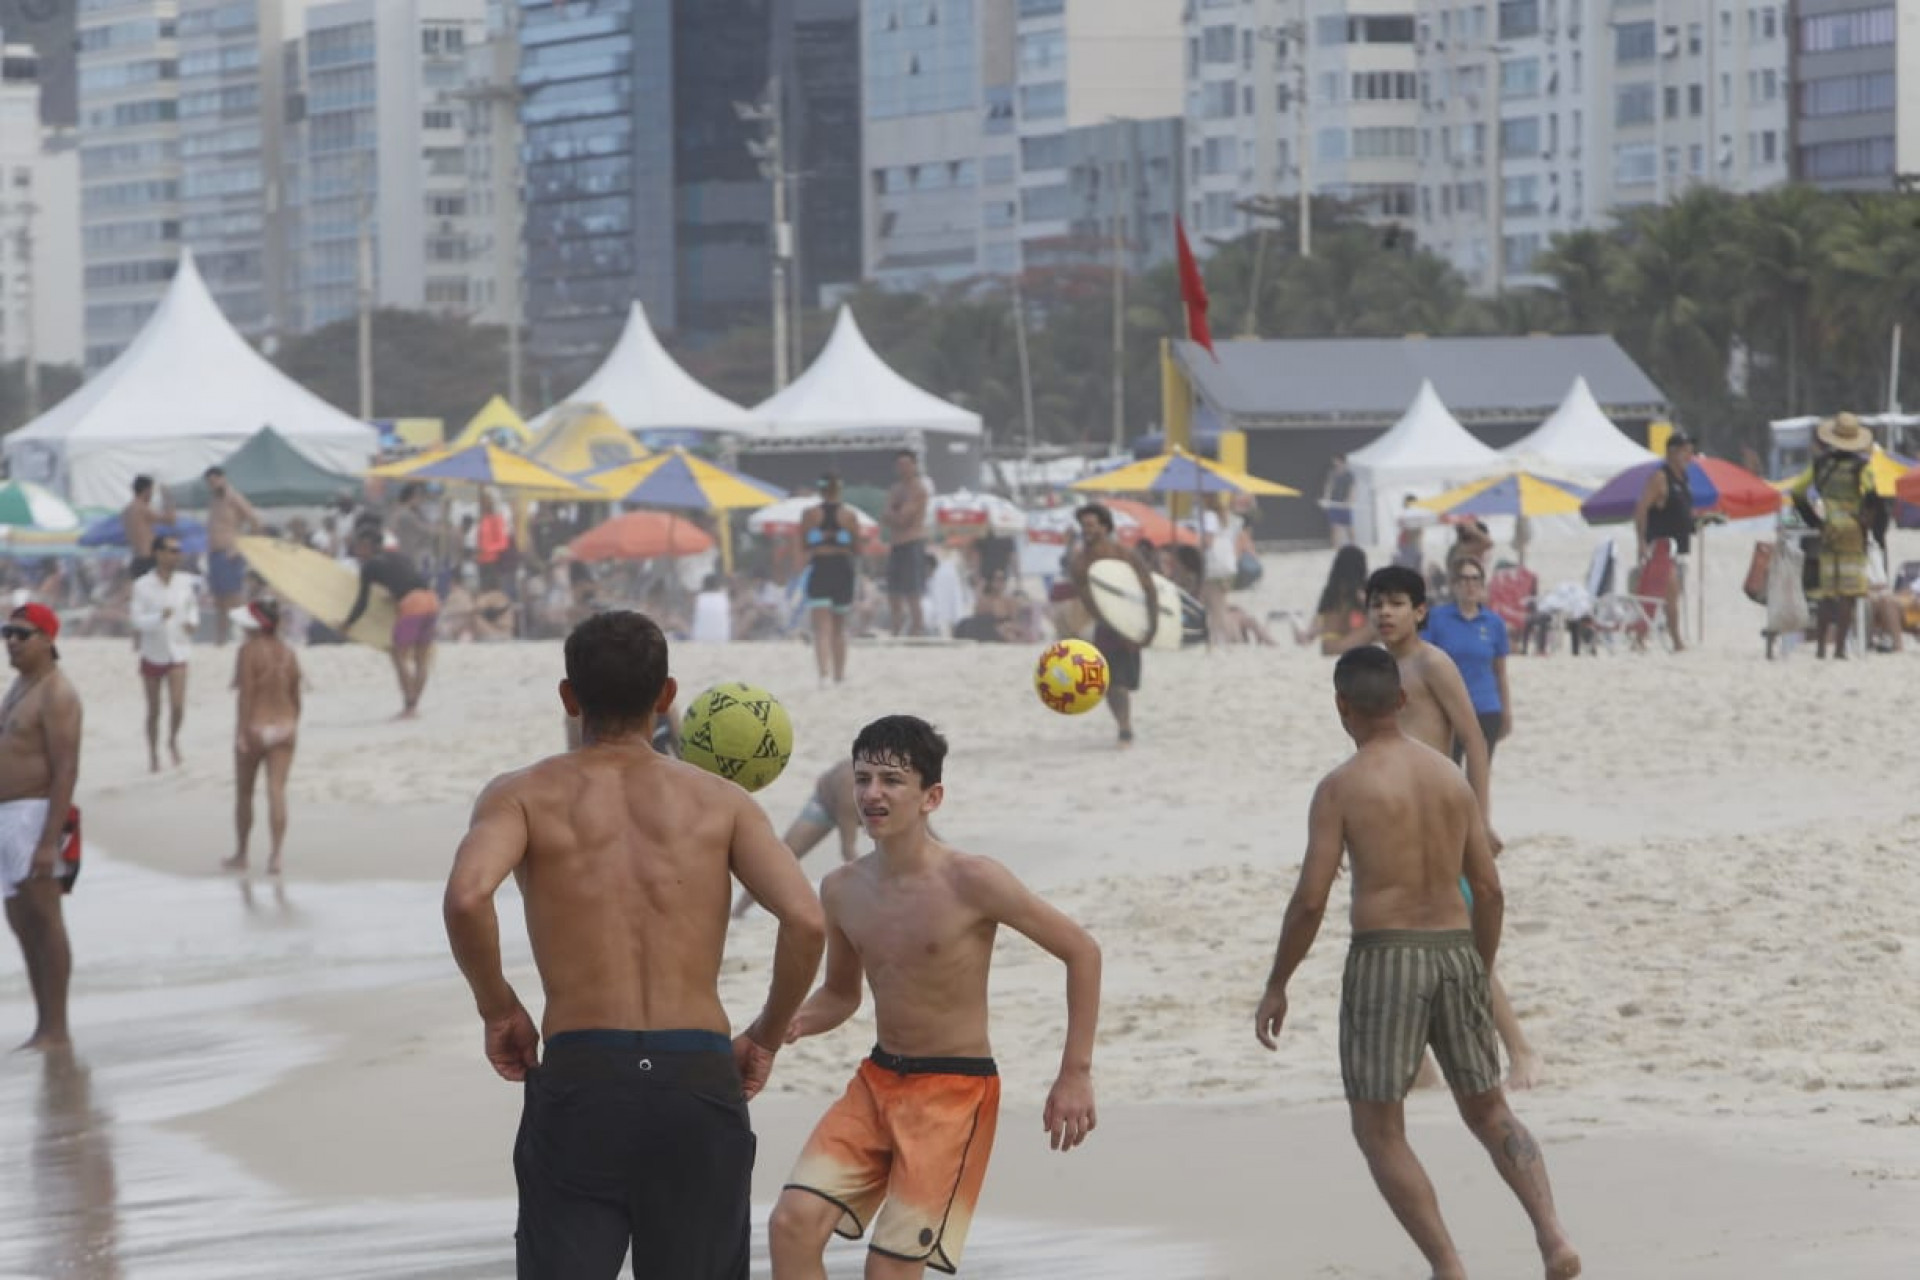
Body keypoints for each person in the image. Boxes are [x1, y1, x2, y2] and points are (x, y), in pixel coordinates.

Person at [443, 611, 826, 1280]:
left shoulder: (521, 796)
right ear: (667, 697)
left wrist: (498, 1008)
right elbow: (807, 921)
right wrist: (764, 1034)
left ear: (569, 697)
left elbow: (467, 897)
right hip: (696, 1076)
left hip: (583, 1074)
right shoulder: (723, 801)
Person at [1253, 647, 1580, 1280]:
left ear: (1342, 706)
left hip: (1386, 957)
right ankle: (1553, 1236)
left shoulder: (1341, 788)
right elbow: (1489, 890)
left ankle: (1449, 1266)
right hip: (1455, 950)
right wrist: (1478, 968)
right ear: (1401, 701)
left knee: (1379, 1126)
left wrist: (1277, 984)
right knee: (1490, 1111)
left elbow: (1309, 901)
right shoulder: (1449, 779)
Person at [768, 716, 1101, 1280]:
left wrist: (1075, 1072)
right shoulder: (842, 888)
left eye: (892, 781)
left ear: (931, 797)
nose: (874, 794)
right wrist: (786, 1024)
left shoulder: (973, 880)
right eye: (864, 779)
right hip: (875, 1084)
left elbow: (1082, 952)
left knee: (889, 1271)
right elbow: (841, 994)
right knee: (791, 1225)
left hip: (954, 1092)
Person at [1367, 566, 1541, 1090]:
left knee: (1460, 942)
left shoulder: (1431, 664)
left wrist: (1480, 820)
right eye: (1377, 603)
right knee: (1392, 940)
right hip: (1392, 827)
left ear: (1420, 611)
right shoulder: (1372, 670)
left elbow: (1474, 741)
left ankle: (1520, 1050)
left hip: (1439, 823)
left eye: (1397, 603)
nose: (1385, 613)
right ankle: (1418, 1065)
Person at [0, 604, 83, 1051]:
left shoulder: (57, 693)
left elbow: (66, 768)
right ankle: (42, 1023)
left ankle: (58, 1027)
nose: (10, 641)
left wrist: (50, 840)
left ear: (48, 640)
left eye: (21, 634)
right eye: (6, 632)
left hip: (35, 815)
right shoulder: (19, 686)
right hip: (7, 818)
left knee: (45, 918)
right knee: (20, 920)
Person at [1789, 413, 1878, 660]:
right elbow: (1872, 494)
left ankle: (1820, 649)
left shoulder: (1820, 464)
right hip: (1852, 531)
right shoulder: (1861, 466)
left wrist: (1814, 521)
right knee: (1848, 594)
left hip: (1828, 529)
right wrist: (1865, 520)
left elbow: (1797, 491)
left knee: (1828, 592)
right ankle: (1838, 649)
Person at [223, 601, 301, 877]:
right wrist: (292, 724)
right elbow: (295, 696)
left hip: (256, 725)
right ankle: (276, 856)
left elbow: (247, 694)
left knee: (245, 793)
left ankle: (242, 853)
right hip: (284, 726)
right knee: (276, 791)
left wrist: (241, 732)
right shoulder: (289, 653)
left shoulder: (248, 651)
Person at [1068, 503, 1156, 747]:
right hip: (1105, 627)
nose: (1086, 530)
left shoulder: (1124, 555)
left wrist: (1150, 627)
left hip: (1130, 623)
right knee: (1108, 683)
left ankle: (1124, 726)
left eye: (1091, 525)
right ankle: (1124, 728)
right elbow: (1086, 598)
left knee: (1124, 683)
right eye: (1083, 526)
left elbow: (1148, 588)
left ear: (1104, 528)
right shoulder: (1080, 562)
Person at [733, 759, 860, 919]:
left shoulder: (893, 782)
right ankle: (738, 911)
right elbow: (848, 850)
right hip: (825, 804)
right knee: (780, 859)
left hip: (864, 806)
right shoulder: (848, 786)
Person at [344, 526, 441, 718]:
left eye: (359, 547)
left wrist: (348, 623)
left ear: (369, 546)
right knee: (421, 659)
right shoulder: (400, 556)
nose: (356, 551)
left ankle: (409, 706)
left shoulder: (369, 566)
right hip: (432, 600)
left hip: (413, 605)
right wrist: (395, 597)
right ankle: (413, 706)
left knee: (398, 656)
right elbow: (408, 579)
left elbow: (361, 601)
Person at [1423, 560, 1512, 765]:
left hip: (1486, 708)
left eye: (1475, 579)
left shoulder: (1493, 623)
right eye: (1464, 579)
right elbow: (1424, 663)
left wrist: (1506, 712)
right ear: (1454, 585)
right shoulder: (1437, 619)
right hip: (1448, 710)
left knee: (1479, 775)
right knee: (1448, 775)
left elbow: (1500, 672)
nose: (1470, 585)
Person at [130, 535, 199, 772]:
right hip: (153, 651)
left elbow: (192, 609)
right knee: (154, 710)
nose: (176, 555)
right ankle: (153, 753)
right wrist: (159, 618)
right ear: (158, 553)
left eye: (178, 550)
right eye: (171, 550)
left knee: (178, 705)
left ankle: (172, 740)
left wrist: (192, 623)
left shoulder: (185, 582)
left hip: (179, 649)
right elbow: (137, 620)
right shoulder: (142, 585)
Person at [1633, 431, 1696, 652]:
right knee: (1666, 592)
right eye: (1686, 451)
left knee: (1669, 594)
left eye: (1691, 451)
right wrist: (1640, 542)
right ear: (1672, 452)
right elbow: (1641, 510)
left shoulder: (1684, 479)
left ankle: (1642, 638)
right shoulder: (1660, 477)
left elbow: (1682, 511)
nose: (1690, 455)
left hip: (1678, 546)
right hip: (1660, 544)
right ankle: (1676, 641)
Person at [800, 474, 861, 687]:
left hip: (821, 566)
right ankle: (839, 675)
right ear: (839, 489)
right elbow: (858, 548)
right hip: (842, 568)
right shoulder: (850, 515)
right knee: (839, 627)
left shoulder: (809, 515)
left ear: (820, 489)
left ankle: (823, 675)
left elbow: (803, 545)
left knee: (821, 627)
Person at [203, 467, 262, 644]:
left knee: (235, 599)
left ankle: (251, 638)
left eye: (215, 481)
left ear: (223, 479)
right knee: (219, 600)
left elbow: (256, 522)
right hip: (215, 553)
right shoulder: (214, 501)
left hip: (230, 553)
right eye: (210, 483)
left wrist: (240, 547)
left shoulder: (234, 498)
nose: (213, 485)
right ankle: (220, 639)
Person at [883, 450, 930, 636]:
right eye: (900, 464)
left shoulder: (918, 489)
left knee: (913, 593)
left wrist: (894, 513)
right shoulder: (895, 489)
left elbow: (904, 518)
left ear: (914, 466)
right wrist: (895, 513)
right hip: (896, 543)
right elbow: (886, 516)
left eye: (907, 464)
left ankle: (916, 630)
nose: (903, 468)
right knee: (893, 592)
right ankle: (895, 629)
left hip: (913, 541)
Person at [1296, 545, 1373, 655]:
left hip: (1327, 646)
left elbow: (1319, 621)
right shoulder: (1356, 592)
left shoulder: (1331, 591)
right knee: (1376, 626)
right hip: (1341, 646)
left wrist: (1307, 634)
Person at [120, 475, 172, 580]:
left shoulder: (126, 511)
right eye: (152, 491)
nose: (152, 495)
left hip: (136, 558)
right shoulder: (142, 508)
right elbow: (170, 519)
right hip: (148, 557)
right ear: (146, 490)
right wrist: (167, 496)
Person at [1321, 454, 1355, 547]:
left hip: (1344, 504)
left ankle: (1353, 546)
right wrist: (1326, 499)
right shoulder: (1332, 473)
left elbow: (1352, 489)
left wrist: (1349, 501)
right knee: (1335, 526)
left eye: (1336, 460)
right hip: (1333, 503)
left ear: (1341, 461)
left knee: (1349, 526)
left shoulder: (1349, 475)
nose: (1334, 462)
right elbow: (1328, 486)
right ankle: (1335, 547)